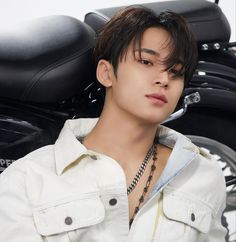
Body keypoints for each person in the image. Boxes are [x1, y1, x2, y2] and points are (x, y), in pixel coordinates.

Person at [0, 6, 226, 242]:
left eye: (176, 71)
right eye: (146, 62)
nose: (164, 79)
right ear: (106, 73)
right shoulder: (26, 180)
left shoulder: (203, 175)